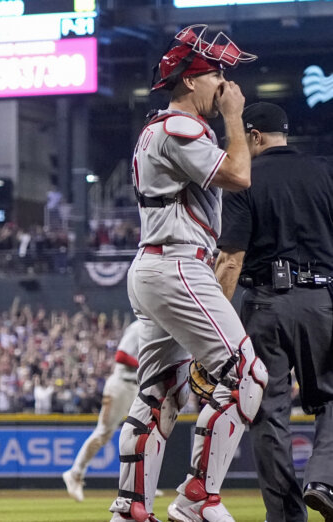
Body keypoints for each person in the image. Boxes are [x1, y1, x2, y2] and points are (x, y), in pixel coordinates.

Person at [108, 25, 268, 522]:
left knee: (157, 394)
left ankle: (130, 507)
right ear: (192, 78)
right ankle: (198, 495)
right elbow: (239, 177)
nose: (224, 83)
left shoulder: (159, 129)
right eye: (217, 72)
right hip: (179, 264)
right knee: (246, 374)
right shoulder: (182, 127)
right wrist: (235, 118)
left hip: (157, 265)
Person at [216, 102, 333, 522]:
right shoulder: (325, 171)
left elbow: (230, 260)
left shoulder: (243, 181)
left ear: (253, 136)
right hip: (321, 302)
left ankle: (286, 517)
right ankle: (324, 479)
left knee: (270, 416)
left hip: (263, 305)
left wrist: (216, 334)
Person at [64, 320, 163, 502]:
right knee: (103, 433)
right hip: (121, 385)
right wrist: (144, 365)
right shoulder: (138, 326)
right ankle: (75, 474)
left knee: (144, 434)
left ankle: (140, 483)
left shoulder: (157, 328)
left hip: (137, 387)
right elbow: (121, 356)